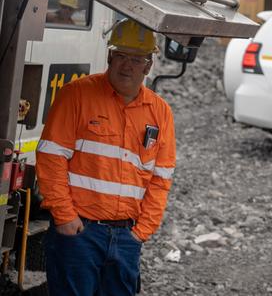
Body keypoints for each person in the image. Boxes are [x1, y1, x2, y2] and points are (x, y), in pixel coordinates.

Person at [36, 19, 176, 296]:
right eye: (121, 56)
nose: (127, 66)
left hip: (126, 238)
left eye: (136, 59)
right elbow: (51, 158)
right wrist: (65, 217)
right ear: (110, 57)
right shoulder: (77, 95)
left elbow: (162, 178)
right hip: (79, 234)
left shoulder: (160, 112)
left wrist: (141, 231)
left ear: (148, 66)